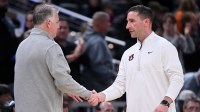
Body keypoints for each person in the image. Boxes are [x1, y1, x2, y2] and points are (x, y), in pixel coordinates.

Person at [89, 5, 184, 112]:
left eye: (132, 21)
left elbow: (177, 78)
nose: (127, 26)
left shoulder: (165, 46)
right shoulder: (128, 53)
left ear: (146, 22)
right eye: (127, 21)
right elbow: (119, 86)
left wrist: (165, 102)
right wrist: (100, 96)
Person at [14, 3, 98, 112]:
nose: (58, 26)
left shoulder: (22, 45)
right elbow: (63, 80)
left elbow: (38, 79)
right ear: (49, 23)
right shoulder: (51, 46)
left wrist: (65, 88)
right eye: (57, 22)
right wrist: (88, 94)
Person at [80, 11, 116, 92]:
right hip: (97, 85)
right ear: (98, 24)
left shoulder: (91, 38)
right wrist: (112, 78)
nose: (109, 24)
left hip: (93, 83)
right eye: (107, 21)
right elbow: (97, 67)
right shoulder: (97, 41)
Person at [55, 19, 84, 83]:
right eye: (60, 28)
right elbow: (61, 61)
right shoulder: (51, 45)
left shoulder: (73, 46)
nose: (63, 30)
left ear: (68, 30)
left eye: (65, 28)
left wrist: (82, 47)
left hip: (75, 83)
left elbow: (85, 61)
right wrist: (75, 55)